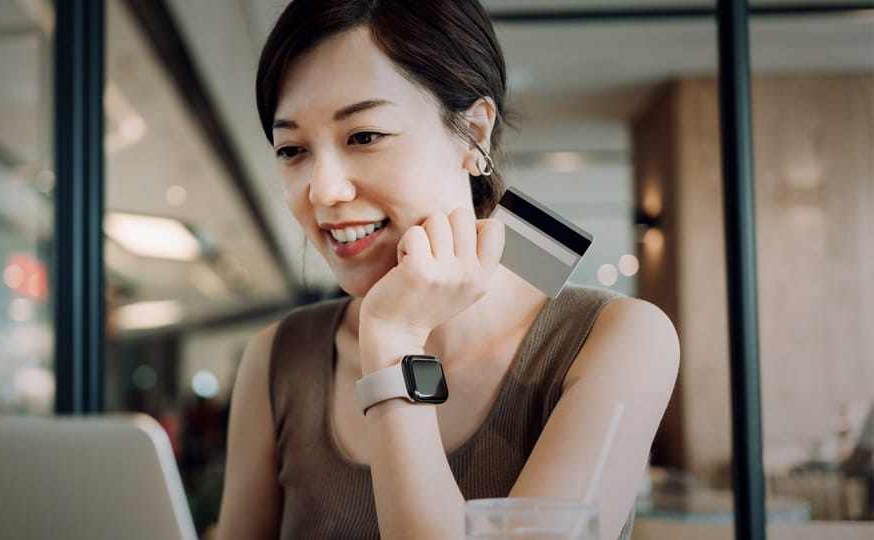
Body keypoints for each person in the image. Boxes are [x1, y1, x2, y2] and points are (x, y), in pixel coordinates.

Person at [215, 2, 679, 539]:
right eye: (292, 148)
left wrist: (392, 342)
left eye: (364, 136)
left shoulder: (619, 339)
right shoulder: (278, 359)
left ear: (474, 133)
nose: (323, 190)